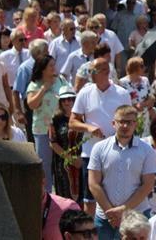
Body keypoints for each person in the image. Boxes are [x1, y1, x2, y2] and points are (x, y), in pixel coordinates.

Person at [70, 57, 132, 215]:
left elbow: (131, 120)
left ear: (106, 71)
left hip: (117, 152)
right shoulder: (85, 92)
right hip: (90, 153)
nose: (90, 74)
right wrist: (89, 128)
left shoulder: (122, 93)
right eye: (90, 71)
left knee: (116, 197)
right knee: (89, 200)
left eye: (94, 71)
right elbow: (73, 122)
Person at [88, 105, 156, 239]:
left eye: (129, 122)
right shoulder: (99, 148)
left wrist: (123, 210)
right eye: (121, 122)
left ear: (135, 124)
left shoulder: (147, 150)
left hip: (136, 218)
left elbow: (147, 185)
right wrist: (111, 212)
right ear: (114, 123)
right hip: (105, 218)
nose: (125, 126)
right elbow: (93, 184)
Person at [27, 54, 69, 192]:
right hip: (42, 130)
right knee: (44, 165)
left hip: (60, 129)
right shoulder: (35, 84)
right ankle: (46, 196)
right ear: (43, 69)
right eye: (50, 65)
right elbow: (32, 104)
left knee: (62, 164)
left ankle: (63, 194)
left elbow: (70, 97)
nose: (54, 68)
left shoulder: (61, 81)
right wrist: (43, 89)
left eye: (54, 64)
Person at [50, 86, 82, 200]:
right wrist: (70, 159)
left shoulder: (82, 118)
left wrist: (80, 160)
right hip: (63, 162)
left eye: (70, 99)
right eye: (64, 99)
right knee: (65, 196)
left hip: (81, 162)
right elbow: (53, 143)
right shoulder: (55, 119)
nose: (67, 102)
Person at [119, 57, 155, 138]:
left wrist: (143, 104)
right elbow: (120, 102)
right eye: (141, 66)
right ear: (134, 68)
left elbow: (152, 97)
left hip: (144, 117)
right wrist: (134, 107)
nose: (144, 68)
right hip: (129, 118)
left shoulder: (145, 80)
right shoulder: (122, 82)